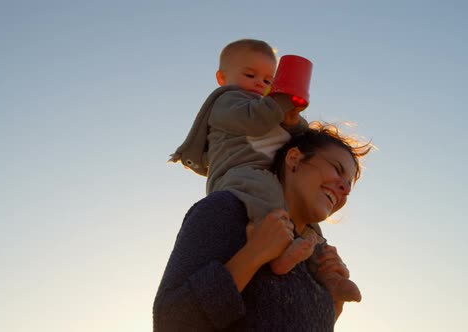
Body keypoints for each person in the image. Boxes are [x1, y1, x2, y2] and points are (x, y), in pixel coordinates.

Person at [155, 122, 372, 331]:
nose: (345, 189)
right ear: (295, 159)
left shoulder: (314, 259)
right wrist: (254, 253)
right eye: (337, 168)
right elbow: (169, 322)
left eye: (349, 185)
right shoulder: (228, 210)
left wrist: (331, 305)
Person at [169, 38, 317, 276]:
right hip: (240, 174)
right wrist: (280, 100)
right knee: (266, 191)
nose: (260, 83)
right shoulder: (227, 101)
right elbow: (254, 121)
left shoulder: (269, 107)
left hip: (271, 175)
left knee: (308, 218)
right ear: (222, 78)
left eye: (269, 80)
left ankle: (327, 270)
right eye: (250, 75)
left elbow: (296, 136)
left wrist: (293, 122)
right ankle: (276, 250)